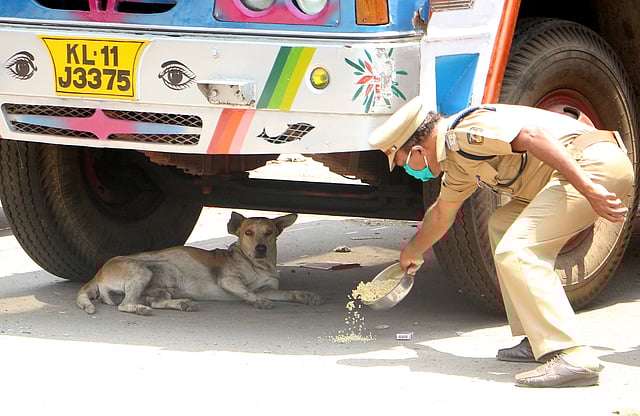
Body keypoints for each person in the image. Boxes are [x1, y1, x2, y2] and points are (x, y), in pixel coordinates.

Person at [368, 96, 634, 388]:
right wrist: (413, 251)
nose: (408, 169)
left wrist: (588, 188)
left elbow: (534, 136)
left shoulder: (467, 132)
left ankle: (573, 355)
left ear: (418, 149)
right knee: (501, 225)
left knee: (517, 250)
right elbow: (443, 212)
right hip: (572, 176)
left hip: (593, 168)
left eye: (404, 162)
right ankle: (538, 339)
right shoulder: (457, 161)